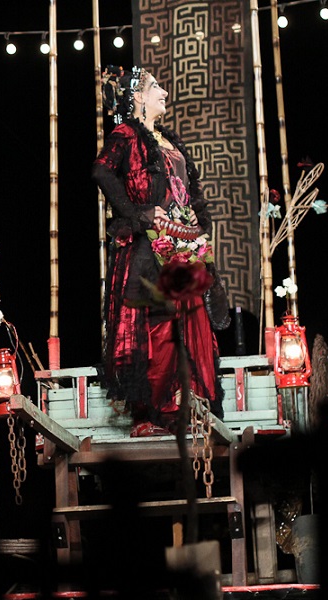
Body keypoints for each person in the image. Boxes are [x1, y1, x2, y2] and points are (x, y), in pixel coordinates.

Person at [92, 66, 226, 437]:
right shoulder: (126, 134)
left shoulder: (168, 139)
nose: (164, 92)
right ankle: (152, 412)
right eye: (156, 88)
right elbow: (102, 173)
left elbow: (189, 189)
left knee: (191, 322)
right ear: (137, 97)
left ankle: (187, 407)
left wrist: (198, 227)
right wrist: (137, 214)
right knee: (157, 325)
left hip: (183, 246)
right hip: (148, 247)